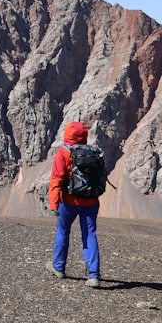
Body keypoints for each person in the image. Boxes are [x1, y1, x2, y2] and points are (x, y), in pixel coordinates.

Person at [47, 121, 102, 288]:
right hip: (91, 202)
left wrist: (54, 204)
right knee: (89, 234)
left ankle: (58, 268)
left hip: (69, 202)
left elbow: (56, 179)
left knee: (63, 231)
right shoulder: (95, 153)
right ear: (84, 136)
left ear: (67, 134)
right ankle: (93, 275)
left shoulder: (63, 153)